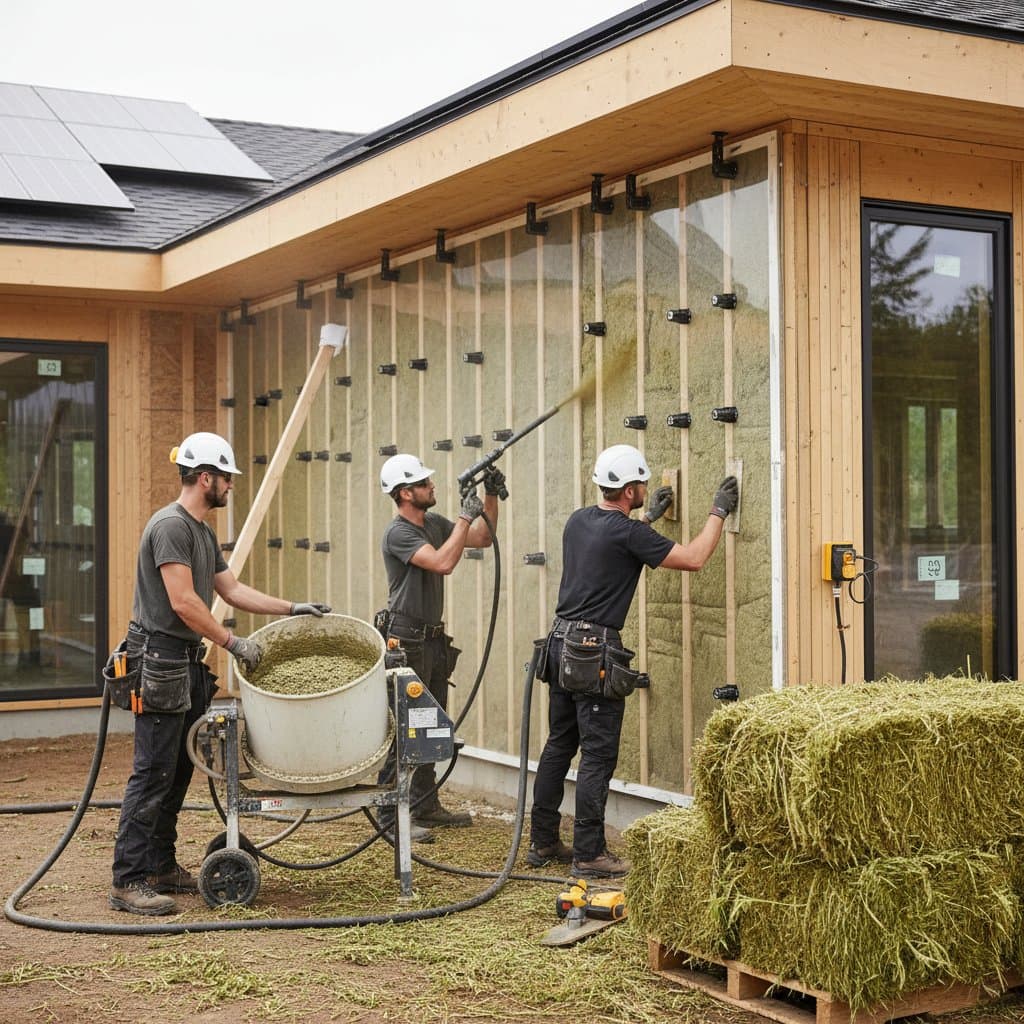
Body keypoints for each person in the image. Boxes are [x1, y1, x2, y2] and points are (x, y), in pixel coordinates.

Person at [109, 432, 331, 916]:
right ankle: (127, 879)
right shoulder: (170, 527)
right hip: (160, 661)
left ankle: (161, 865)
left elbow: (230, 590)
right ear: (205, 477)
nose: (231, 486)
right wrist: (233, 643)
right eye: (227, 477)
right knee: (153, 772)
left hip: (185, 662)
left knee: (181, 767)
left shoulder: (202, 532)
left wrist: (292, 608)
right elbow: (184, 602)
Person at [527, 444, 739, 879]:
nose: (647, 488)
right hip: (592, 653)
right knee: (598, 756)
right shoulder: (629, 534)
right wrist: (718, 511)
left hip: (560, 644)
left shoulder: (578, 520)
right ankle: (589, 854)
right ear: (627, 490)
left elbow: (612, 545)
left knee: (559, 744)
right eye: (641, 484)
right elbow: (695, 558)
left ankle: (543, 840)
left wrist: (646, 520)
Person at [378, 453, 502, 834]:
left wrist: (490, 496)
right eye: (423, 483)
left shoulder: (431, 522)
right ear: (404, 493)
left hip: (431, 639)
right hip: (406, 640)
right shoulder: (399, 532)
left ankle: (424, 805)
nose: (432, 485)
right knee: (405, 727)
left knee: (430, 725)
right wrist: (465, 516)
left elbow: (481, 537)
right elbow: (443, 562)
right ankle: (388, 817)